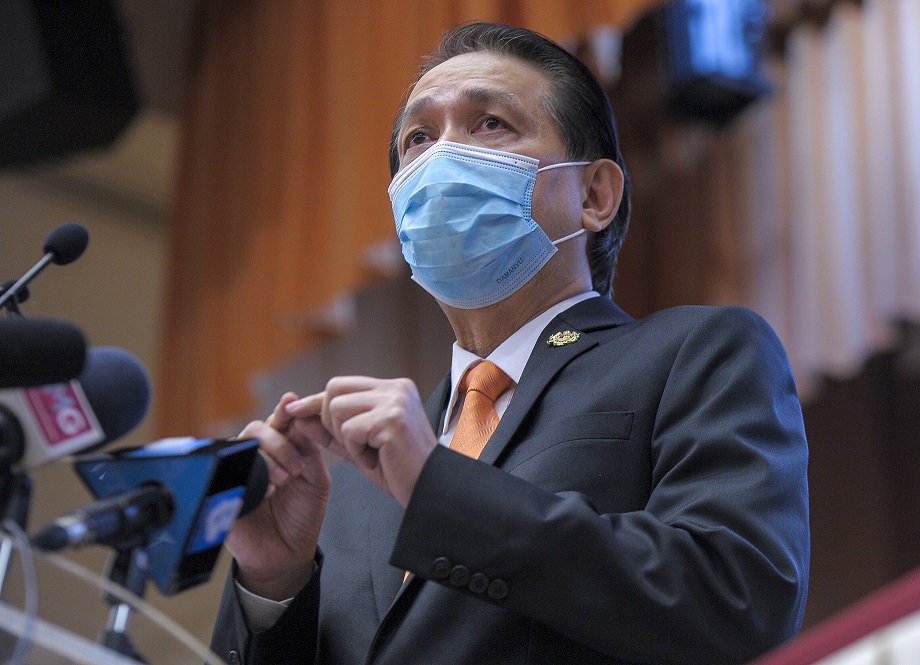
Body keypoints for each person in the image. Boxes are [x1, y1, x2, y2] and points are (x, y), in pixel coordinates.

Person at [211, 22, 809, 665]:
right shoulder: (348, 487)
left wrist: (443, 495)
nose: (440, 158)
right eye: (418, 137)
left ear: (594, 194)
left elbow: (737, 600)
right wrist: (273, 585)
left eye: (490, 123)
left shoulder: (696, 355)